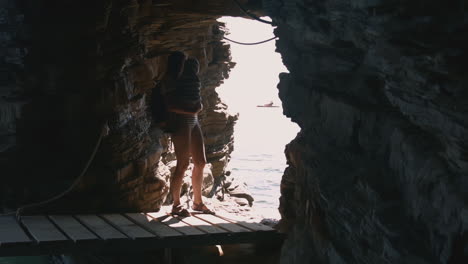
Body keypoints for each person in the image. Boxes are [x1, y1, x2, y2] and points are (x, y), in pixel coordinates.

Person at [161, 52, 214, 216]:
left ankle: (198, 203)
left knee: (201, 162)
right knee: (182, 164)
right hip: (181, 121)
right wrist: (191, 109)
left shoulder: (190, 75)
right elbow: (168, 106)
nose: (187, 63)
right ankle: (176, 205)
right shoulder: (171, 79)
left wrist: (197, 108)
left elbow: (195, 96)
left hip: (194, 119)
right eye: (183, 61)